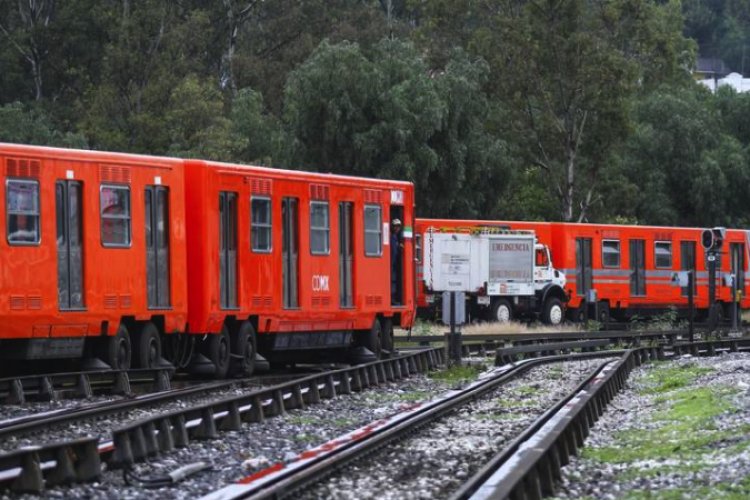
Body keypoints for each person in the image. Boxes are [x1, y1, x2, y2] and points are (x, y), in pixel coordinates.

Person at [390, 218, 404, 305]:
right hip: (391, 264)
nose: (397, 228)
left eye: (398, 226)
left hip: (394, 264)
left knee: (393, 281)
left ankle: (393, 299)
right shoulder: (392, 236)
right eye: (395, 226)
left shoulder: (395, 237)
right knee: (392, 281)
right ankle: (392, 299)